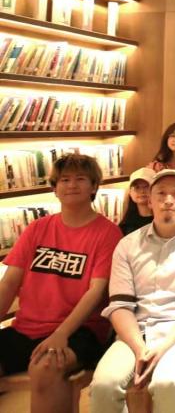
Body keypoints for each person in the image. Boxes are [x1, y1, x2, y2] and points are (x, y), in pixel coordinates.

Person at [90, 169, 175, 413]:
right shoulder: (127, 244)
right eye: (161, 193)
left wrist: (164, 346)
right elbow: (119, 305)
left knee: (167, 382)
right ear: (149, 200)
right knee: (104, 385)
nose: (168, 200)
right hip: (135, 334)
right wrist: (140, 348)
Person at [0, 154, 122, 413]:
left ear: (94, 186)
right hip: (26, 327)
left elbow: (96, 291)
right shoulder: (37, 228)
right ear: (54, 188)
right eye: (64, 180)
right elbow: (9, 282)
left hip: (82, 330)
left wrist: (61, 333)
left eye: (80, 179)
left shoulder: (108, 233)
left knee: (47, 367)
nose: (72, 185)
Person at [120, 167, 156, 235]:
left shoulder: (162, 222)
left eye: (146, 186)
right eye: (137, 187)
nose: (142, 191)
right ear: (130, 192)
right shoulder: (126, 225)